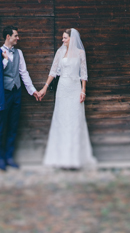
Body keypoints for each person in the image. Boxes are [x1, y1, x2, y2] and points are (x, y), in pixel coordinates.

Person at [0, 25, 39, 171]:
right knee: (0, 126)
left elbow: (23, 73)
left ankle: (9, 157)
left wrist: (33, 91)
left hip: (16, 94)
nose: (18, 38)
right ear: (8, 37)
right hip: (3, 94)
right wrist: (5, 60)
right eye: (16, 36)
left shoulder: (19, 53)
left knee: (13, 126)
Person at [38, 28, 96, 169]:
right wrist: (45, 87)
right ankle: (60, 157)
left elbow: (84, 73)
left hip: (75, 88)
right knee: (62, 120)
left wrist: (83, 90)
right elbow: (53, 71)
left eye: (65, 38)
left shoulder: (81, 53)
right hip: (63, 88)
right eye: (62, 38)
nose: (62, 40)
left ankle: (75, 158)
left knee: (75, 121)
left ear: (72, 39)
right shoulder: (60, 52)